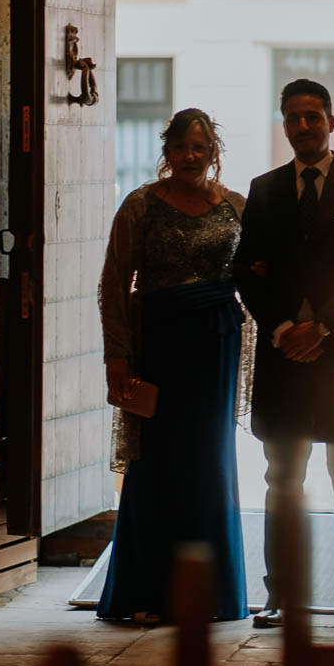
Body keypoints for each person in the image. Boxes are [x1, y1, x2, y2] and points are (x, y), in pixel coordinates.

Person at [235, 78, 334, 627]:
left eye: (313, 116)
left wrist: (321, 328)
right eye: (293, 118)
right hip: (283, 355)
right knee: (282, 478)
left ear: (330, 120)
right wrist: (282, 329)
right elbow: (245, 271)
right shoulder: (266, 188)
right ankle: (282, 596)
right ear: (284, 125)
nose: (303, 126)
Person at [96, 107, 249, 624]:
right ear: (166, 152)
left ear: (213, 153)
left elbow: (258, 272)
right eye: (181, 146)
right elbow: (113, 283)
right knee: (156, 464)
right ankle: (147, 593)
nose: (190, 155)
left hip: (216, 345)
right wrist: (116, 355)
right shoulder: (140, 205)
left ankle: (210, 596)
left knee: (210, 462)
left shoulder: (236, 207)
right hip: (158, 345)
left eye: (199, 147)